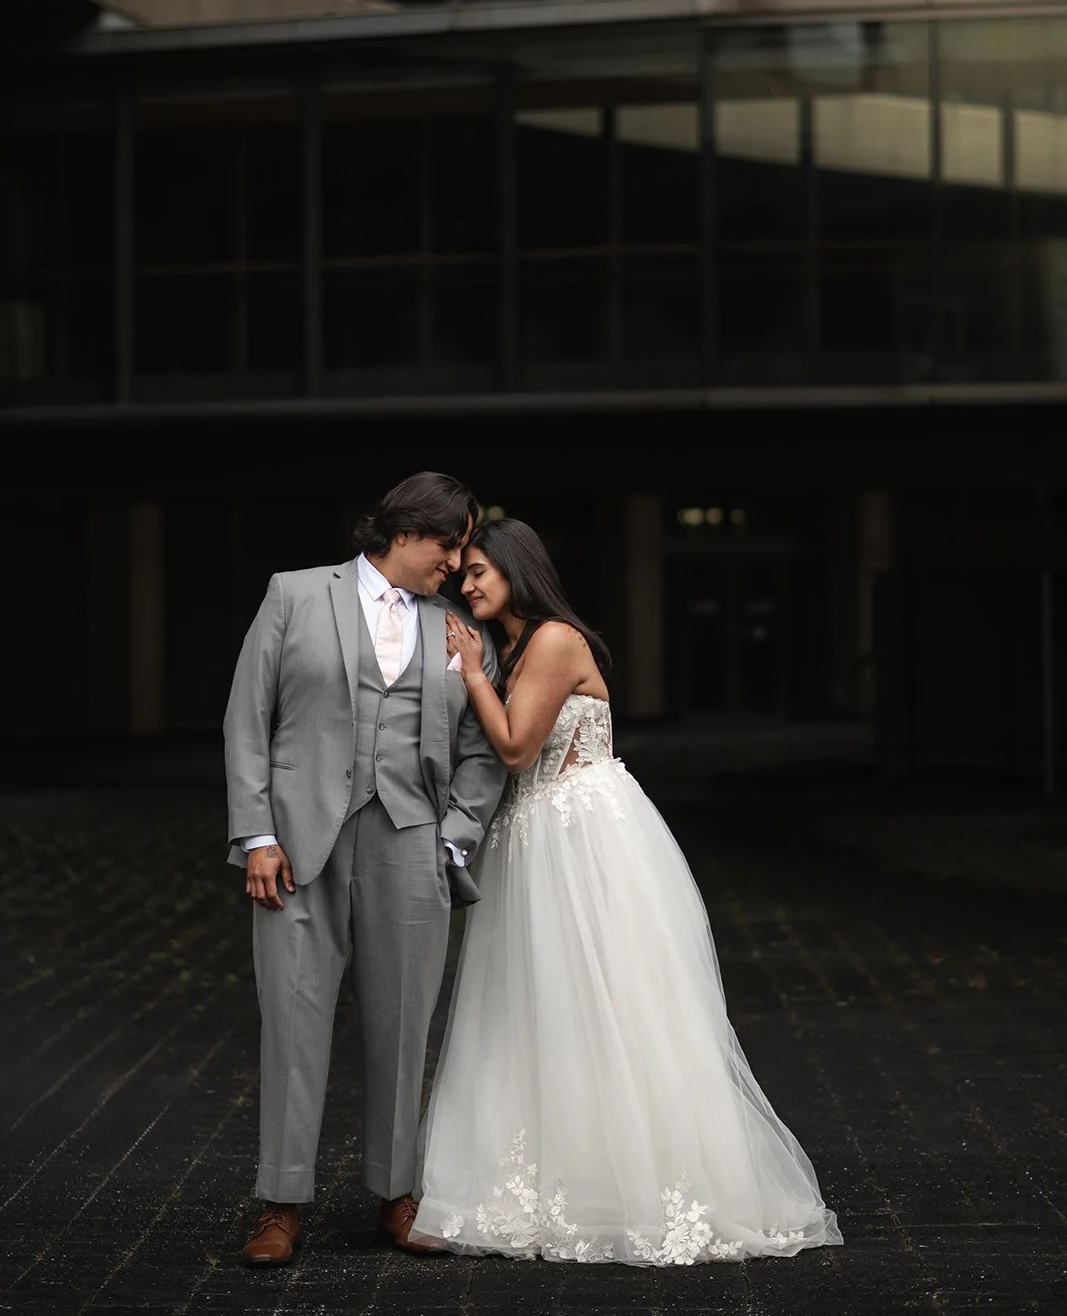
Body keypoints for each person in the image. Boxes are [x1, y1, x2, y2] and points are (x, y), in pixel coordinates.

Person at [412, 517, 842, 1266]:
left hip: (578, 838)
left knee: (608, 1004)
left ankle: (644, 1184)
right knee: (535, 1011)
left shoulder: (550, 640)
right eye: (464, 572)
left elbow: (515, 748)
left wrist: (472, 675)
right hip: (534, 838)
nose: (466, 583)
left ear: (517, 569)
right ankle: (550, 1182)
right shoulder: (516, 643)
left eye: (478, 570)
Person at [224, 472, 507, 1265]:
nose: (455, 563)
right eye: (449, 545)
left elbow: (483, 749)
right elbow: (247, 718)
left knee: (403, 1022)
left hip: (411, 841)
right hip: (296, 846)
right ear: (406, 531)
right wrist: (256, 836)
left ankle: (398, 1194)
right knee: (292, 1018)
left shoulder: (457, 628)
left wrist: (452, 836)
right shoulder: (294, 594)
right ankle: (281, 1203)